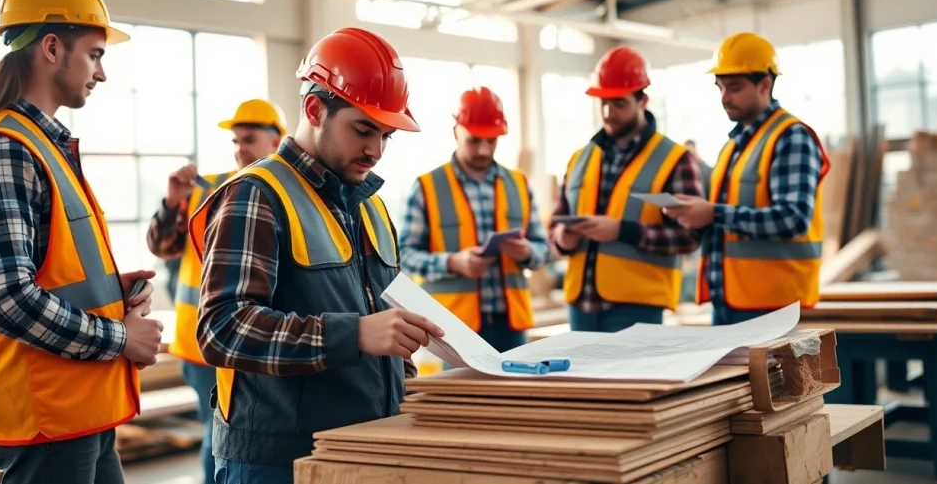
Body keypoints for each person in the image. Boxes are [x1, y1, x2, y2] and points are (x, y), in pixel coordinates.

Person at [188, 27, 444, 483]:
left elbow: (382, 319)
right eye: (363, 130)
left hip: (364, 447)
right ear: (314, 109)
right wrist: (354, 335)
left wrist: (406, 385)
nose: (375, 150)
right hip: (277, 462)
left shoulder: (371, 205)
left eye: (387, 136)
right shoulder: (257, 195)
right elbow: (221, 330)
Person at [0, 0, 164, 483]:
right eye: (95, 54)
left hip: (75, 408)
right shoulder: (6, 149)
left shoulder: (39, 145)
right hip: (45, 415)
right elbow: (4, 299)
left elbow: (47, 272)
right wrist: (118, 337)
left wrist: (112, 292)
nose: (101, 73)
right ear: (50, 48)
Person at [145, 98, 287, 484]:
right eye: (237, 140)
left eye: (250, 139)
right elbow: (162, 246)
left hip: (252, 338)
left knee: (236, 439)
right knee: (220, 438)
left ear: (277, 142)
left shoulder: (286, 192)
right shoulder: (206, 188)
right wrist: (172, 201)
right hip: (204, 341)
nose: (241, 148)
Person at [663, 32, 829, 325]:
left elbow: (793, 219)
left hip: (773, 306)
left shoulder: (791, 137)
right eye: (721, 87)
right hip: (730, 300)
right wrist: (694, 216)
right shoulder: (733, 146)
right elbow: (729, 222)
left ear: (765, 83)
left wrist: (712, 213)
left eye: (735, 87)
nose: (725, 98)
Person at [549, 46, 704, 332]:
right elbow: (555, 227)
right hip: (580, 306)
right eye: (603, 104)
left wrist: (622, 231)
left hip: (638, 308)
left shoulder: (674, 160)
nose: (608, 113)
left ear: (642, 99)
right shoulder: (579, 159)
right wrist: (562, 238)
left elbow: (689, 236)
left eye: (619, 104)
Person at [399, 87, 550, 352]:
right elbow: (404, 256)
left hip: (512, 326)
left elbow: (543, 249)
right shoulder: (427, 187)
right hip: (453, 326)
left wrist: (528, 252)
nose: (483, 149)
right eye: (474, 140)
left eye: (491, 141)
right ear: (456, 131)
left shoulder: (519, 184)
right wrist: (453, 262)